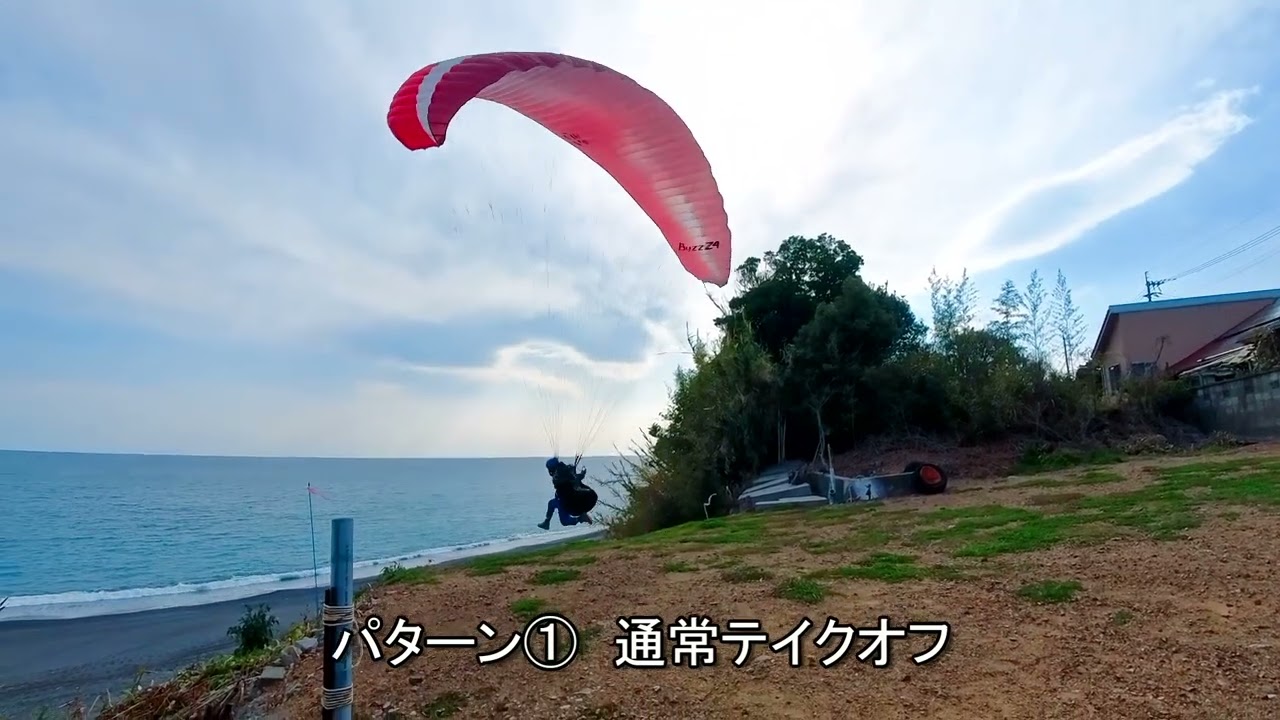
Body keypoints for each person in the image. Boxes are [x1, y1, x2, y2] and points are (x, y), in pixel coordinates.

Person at [537, 457, 594, 530]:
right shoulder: (565, 470)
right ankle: (546, 522)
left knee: (564, 521)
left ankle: (581, 518)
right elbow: (576, 477)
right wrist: (582, 473)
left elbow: (569, 480)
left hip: (565, 501)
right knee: (551, 503)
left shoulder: (559, 475)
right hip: (567, 499)